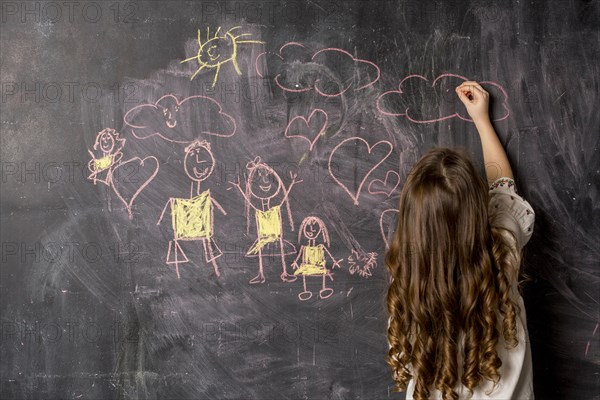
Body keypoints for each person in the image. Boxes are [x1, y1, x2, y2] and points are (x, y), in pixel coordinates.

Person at [385, 81, 536, 399]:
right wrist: (481, 119)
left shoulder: (410, 291)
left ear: (413, 223)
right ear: (478, 210)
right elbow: (502, 188)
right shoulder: (501, 257)